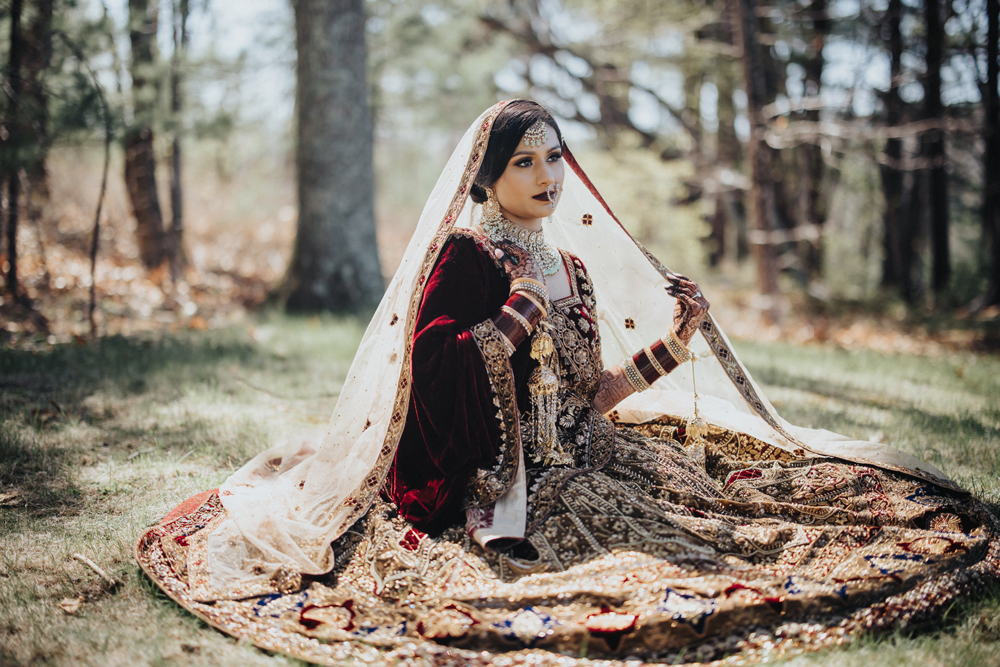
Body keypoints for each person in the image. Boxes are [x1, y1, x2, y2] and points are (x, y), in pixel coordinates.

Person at [137, 100, 999, 666]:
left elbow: (594, 394)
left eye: (554, 158)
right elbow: (432, 378)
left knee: (744, 520)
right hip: (499, 482)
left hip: (592, 452)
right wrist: (512, 311)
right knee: (627, 560)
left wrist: (676, 341)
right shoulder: (465, 258)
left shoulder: (574, 268)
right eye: (525, 162)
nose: (548, 175)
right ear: (486, 176)